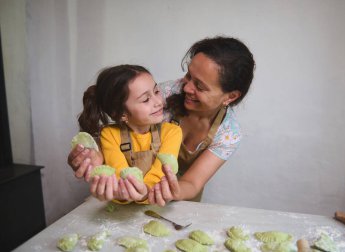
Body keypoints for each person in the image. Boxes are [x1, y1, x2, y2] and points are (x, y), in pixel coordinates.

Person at [68, 36, 256, 206]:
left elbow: (192, 182)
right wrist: (92, 155)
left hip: (177, 201)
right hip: (125, 197)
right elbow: (120, 130)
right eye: (188, 75)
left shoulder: (228, 133)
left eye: (199, 86)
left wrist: (163, 190)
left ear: (230, 96)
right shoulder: (162, 95)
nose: (187, 87)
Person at [75, 64, 182, 203]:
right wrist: (122, 192)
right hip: (122, 208)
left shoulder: (172, 132)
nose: (158, 102)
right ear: (122, 114)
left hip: (158, 203)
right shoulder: (110, 134)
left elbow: (159, 175)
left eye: (156, 91)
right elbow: (119, 175)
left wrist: (145, 193)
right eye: (145, 99)